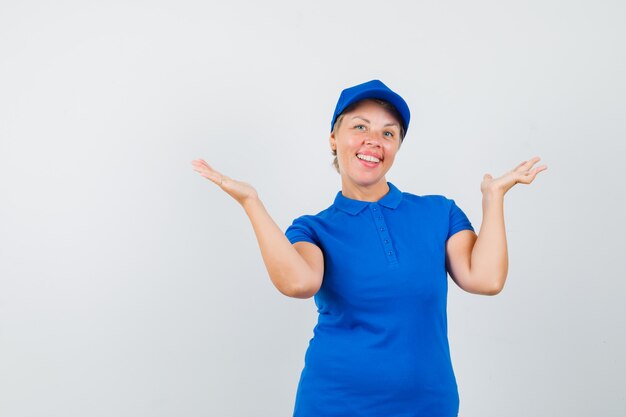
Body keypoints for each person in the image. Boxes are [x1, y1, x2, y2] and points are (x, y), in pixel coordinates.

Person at [191, 79, 547, 417]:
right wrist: (251, 202)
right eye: (360, 127)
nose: (374, 140)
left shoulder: (440, 213)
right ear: (334, 138)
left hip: (428, 405)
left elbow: (485, 279)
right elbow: (299, 283)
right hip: (335, 404)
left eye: (388, 133)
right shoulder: (314, 229)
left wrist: (494, 199)